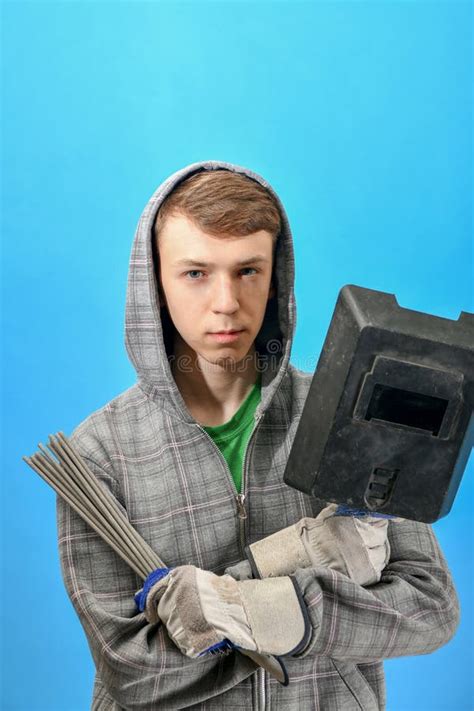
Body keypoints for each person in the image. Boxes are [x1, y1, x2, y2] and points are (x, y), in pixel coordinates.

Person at [57, 160, 459, 710]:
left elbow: (428, 607)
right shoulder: (97, 455)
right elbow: (134, 671)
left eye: (248, 271)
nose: (226, 302)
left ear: (276, 278)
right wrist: (301, 570)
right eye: (195, 273)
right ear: (155, 280)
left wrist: (251, 605)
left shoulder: (352, 408)